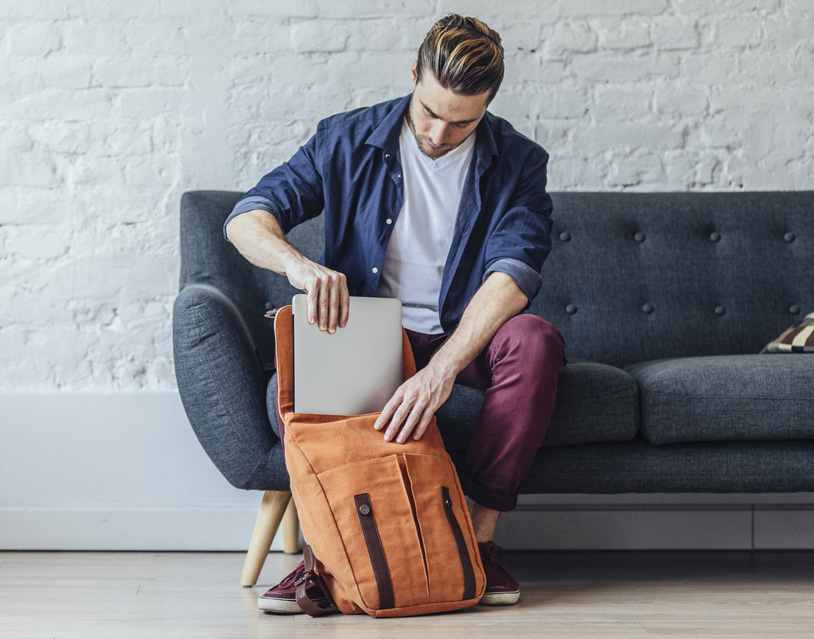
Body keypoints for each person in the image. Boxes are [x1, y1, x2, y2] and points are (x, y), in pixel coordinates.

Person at [224, 14, 566, 612]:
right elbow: (246, 219)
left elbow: (513, 275)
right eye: (430, 111)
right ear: (414, 74)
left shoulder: (519, 161)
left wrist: (440, 372)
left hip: (465, 336)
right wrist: (300, 268)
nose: (439, 132)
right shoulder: (345, 138)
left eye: (463, 121)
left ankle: (477, 543)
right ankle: (327, 559)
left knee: (536, 341)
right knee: (294, 383)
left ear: (489, 104)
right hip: (370, 332)